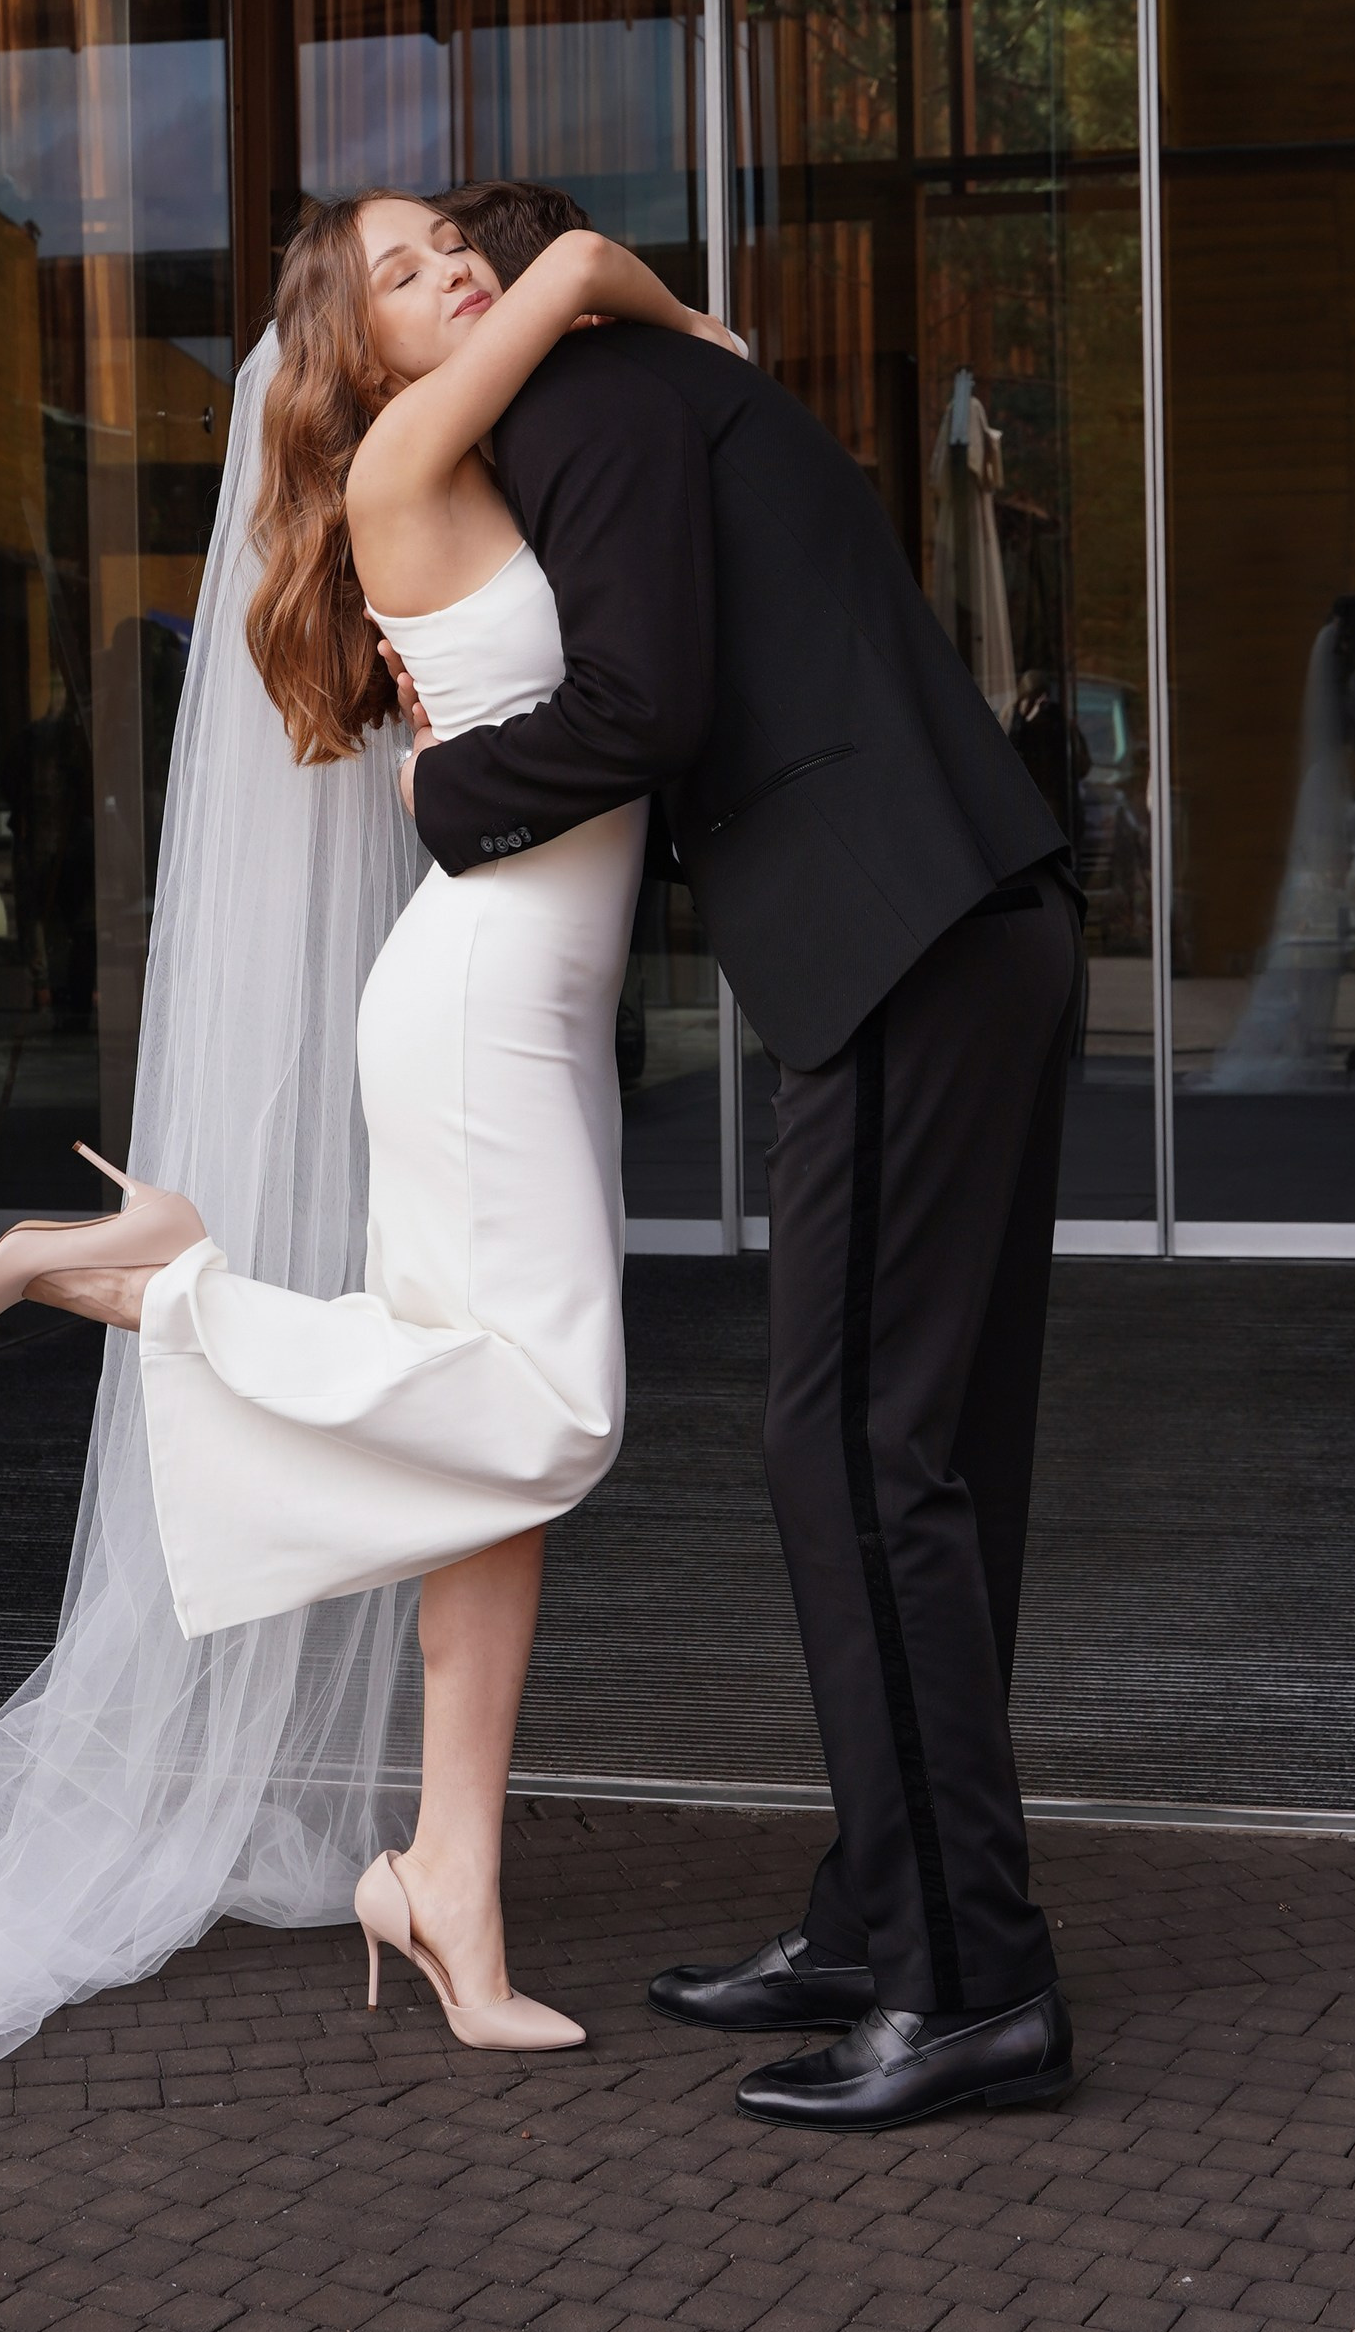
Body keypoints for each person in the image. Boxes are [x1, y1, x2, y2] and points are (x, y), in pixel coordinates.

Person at [0, 193, 735, 2083]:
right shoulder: (406, 455)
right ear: (358, 359)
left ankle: (447, 1881)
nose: (458, 269)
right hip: (479, 1008)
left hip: (522, 1003)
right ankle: (167, 1288)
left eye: (454, 238)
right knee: (551, 1414)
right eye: (407, 271)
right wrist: (687, 326)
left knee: (498, 1466)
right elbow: (590, 262)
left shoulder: (476, 449)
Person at [409, 179, 1084, 2134]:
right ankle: (891, 1923)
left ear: (526, 299)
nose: (451, 296)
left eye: (465, 265)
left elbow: (644, 703)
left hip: (895, 932)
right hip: (972, 915)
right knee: (924, 1457)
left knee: (856, 1453)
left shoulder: (591, 400)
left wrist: (442, 790)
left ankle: (969, 1987)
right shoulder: (667, 394)